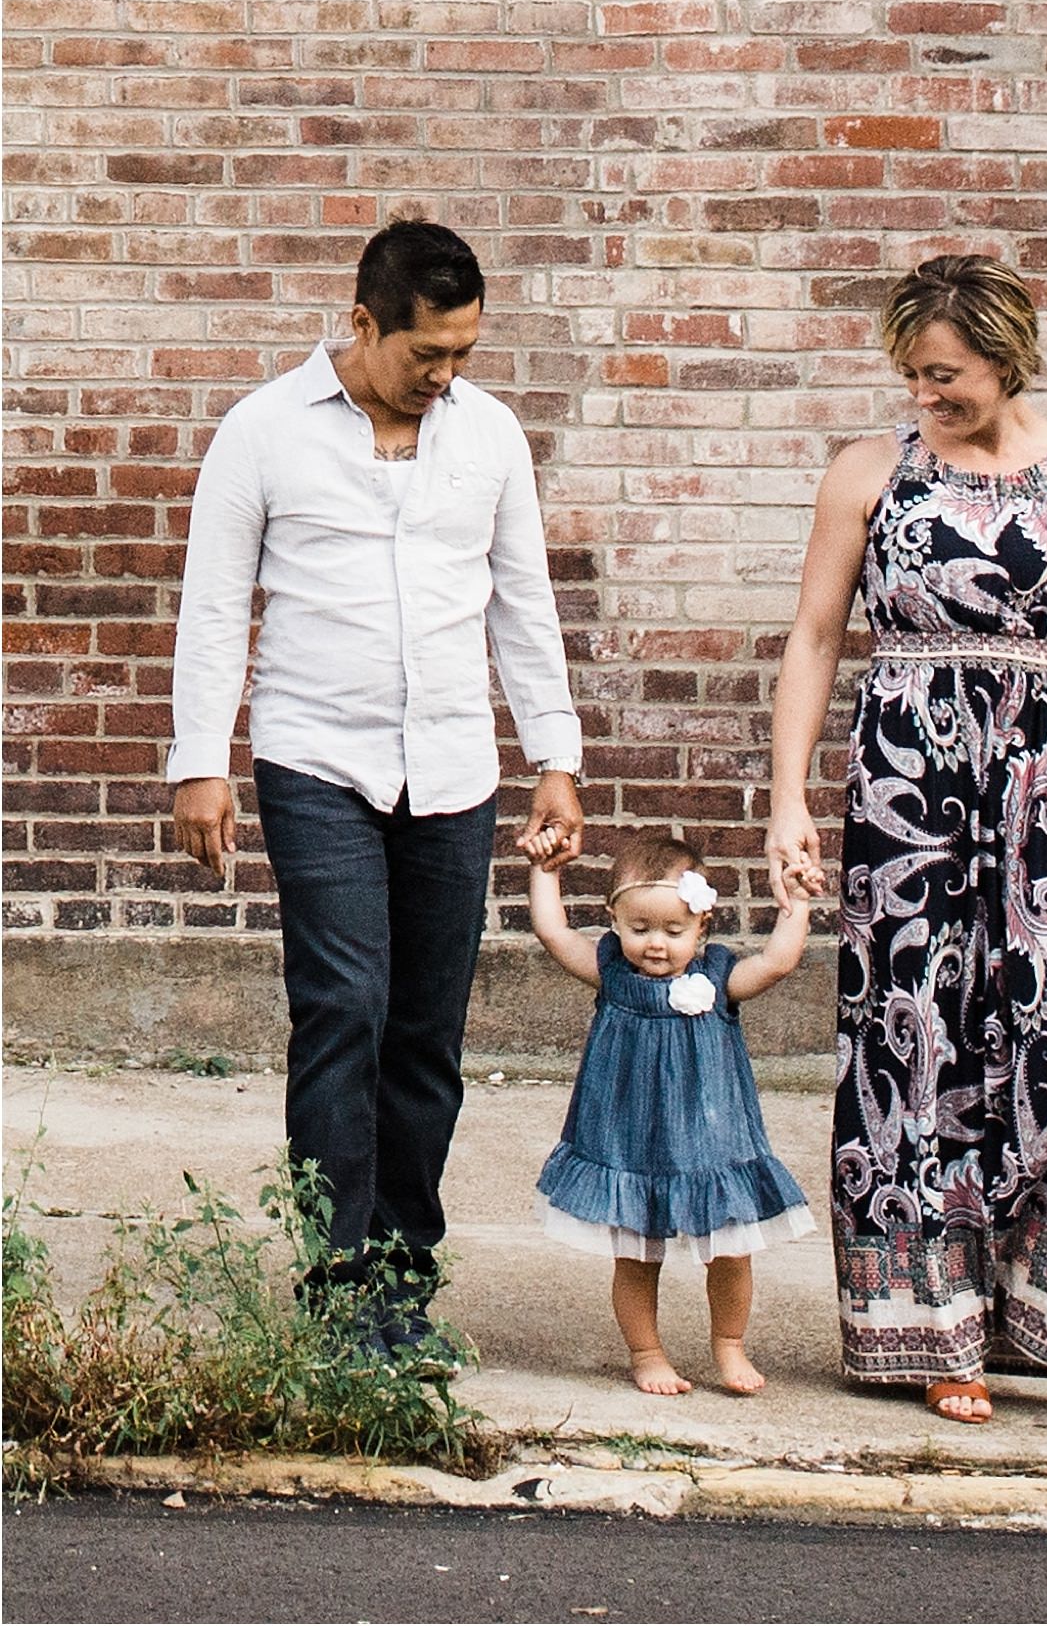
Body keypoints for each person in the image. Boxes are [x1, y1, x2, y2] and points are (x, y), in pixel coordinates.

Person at [766, 253, 1047, 1431]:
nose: (924, 395)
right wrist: (786, 799)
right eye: (911, 375)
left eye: (944, 374)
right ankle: (930, 1321)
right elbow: (812, 637)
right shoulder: (867, 474)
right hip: (906, 787)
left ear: (1006, 354)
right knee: (916, 1042)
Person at [166, 219, 585, 1347]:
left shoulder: (488, 434)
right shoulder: (262, 432)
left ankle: (403, 1276)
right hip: (318, 761)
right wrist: (200, 761)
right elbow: (215, 608)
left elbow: (521, 602)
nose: (445, 375)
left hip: (452, 767)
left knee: (425, 1032)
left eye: (462, 353)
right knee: (342, 1011)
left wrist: (557, 757)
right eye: (426, 355)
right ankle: (337, 1283)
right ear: (361, 323)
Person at [528, 823, 815, 1396]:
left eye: (672, 929)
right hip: (629, 1144)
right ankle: (647, 1352)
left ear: (702, 925)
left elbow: (778, 963)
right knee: (635, 1257)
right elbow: (554, 932)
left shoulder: (719, 978)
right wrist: (546, 870)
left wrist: (798, 901)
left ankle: (729, 1344)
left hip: (713, 1145)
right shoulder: (612, 974)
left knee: (731, 1250)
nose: (654, 943)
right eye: (638, 928)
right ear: (614, 922)